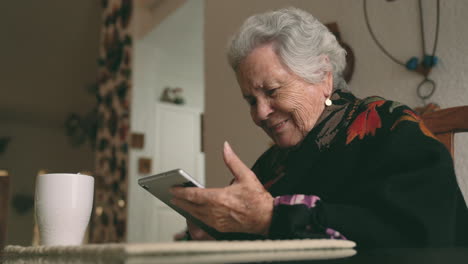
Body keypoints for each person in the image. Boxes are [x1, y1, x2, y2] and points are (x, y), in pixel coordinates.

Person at [170, 7, 467, 248]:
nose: (260, 113)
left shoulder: (388, 126)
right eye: (250, 100)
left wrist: (271, 217)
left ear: (324, 77)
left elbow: (421, 234)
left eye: (272, 91)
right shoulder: (274, 162)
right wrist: (216, 233)